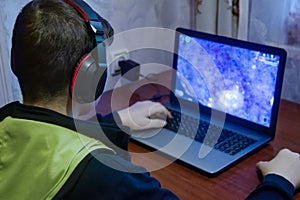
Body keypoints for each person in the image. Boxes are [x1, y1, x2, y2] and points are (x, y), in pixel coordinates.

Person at [0, 0, 299, 199]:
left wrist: (118, 122)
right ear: (89, 80)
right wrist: (280, 180)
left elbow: (52, 143)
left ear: (16, 63)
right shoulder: (110, 179)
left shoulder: (5, 123)